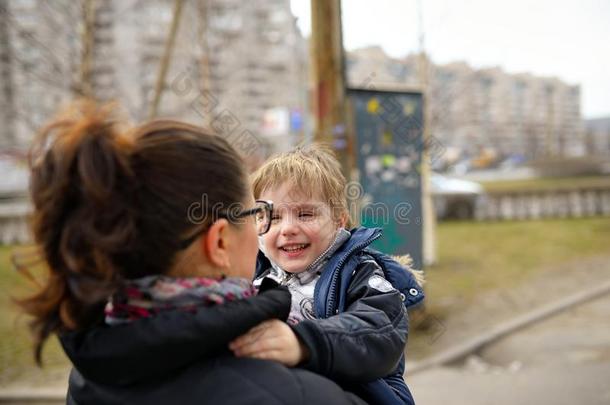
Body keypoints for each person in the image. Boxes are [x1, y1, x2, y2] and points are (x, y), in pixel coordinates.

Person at [16, 102, 365, 405]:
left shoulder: (89, 377)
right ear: (220, 243)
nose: (271, 227)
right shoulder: (297, 396)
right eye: (256, 214)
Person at [229, 144, 424, 405]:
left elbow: (380, 331)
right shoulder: (251, 275)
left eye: (305, 214)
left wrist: (303, 343)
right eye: (273, 217)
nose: (287, 228)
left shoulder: (359, 274)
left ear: (338, 221)